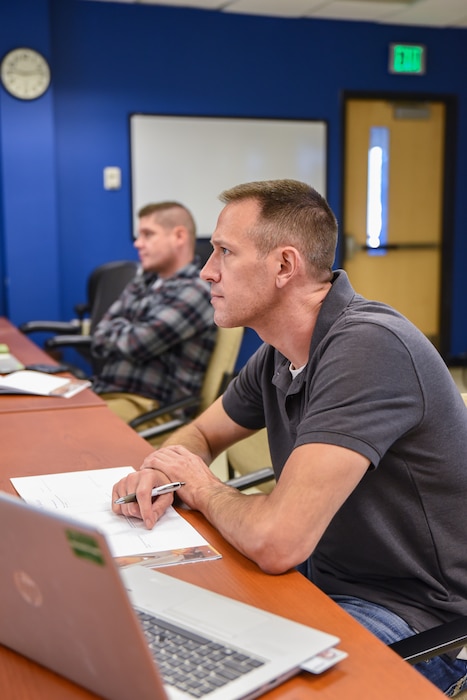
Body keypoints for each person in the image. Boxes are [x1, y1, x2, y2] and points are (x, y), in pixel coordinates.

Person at [112, 180, 467, 696]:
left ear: (284, 266)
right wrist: (161, 470)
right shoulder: (281, 350)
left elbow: (277, 541)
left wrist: (200, 486)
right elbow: (201, 433)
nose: (207, 271)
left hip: (413, 618)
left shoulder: (369, 348)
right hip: (320, 577)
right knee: (153, 640)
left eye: (225, 253)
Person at [91, 201, 217, 426]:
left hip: (152, 409)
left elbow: (136, 345)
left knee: (71, 431)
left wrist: (119, 328)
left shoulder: (195, 291)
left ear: (179, 236)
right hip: (110, 395)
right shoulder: (145, 280)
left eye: (148, 235)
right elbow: (98, 335)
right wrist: (123, 331)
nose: (138, 244)